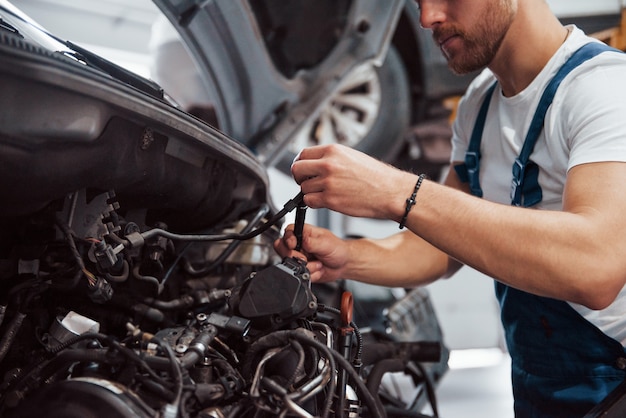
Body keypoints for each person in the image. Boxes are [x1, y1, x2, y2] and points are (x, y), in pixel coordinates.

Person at [273, 0, 626, 416]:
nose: (427, 19)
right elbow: (442, 246)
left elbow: (596, 268)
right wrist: (347, 258)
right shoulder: (479, 104)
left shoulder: (603, 88)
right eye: (421, 1)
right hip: (540, 387)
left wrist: (395, 190)